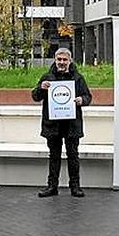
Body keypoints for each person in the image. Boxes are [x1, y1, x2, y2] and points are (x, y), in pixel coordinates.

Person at [32, 48, 92, 198]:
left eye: (65, 60)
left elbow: (88, 96)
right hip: (53, 124)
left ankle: (75, 186)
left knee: (73, 156)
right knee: (54, 156)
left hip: (72, 124)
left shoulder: (78, 78)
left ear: (70, 61)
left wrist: (82, 100)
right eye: (59, 59)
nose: (62, 63)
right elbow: (35, 97)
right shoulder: (47, 77)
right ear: (55, 60)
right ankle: (52, 186)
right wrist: (41, 88)